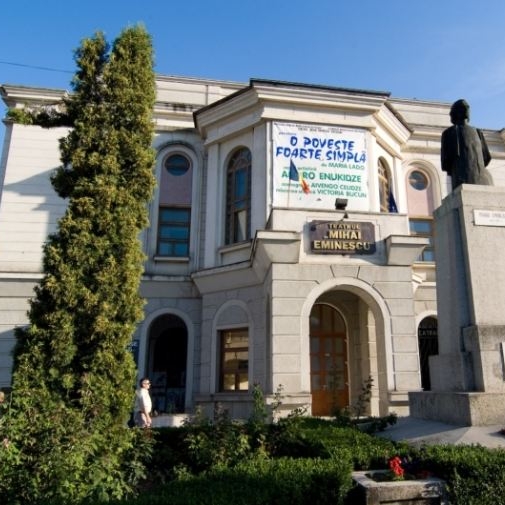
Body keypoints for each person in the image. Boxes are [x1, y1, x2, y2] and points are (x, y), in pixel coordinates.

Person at [441, 99, 492, 191]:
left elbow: (445, 162)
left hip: (459, 179)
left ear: (456, 113)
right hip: (480, 179)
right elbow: (486, 157)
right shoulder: (477, 132)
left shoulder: (448, 133)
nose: (450, 115)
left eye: (452, 112)